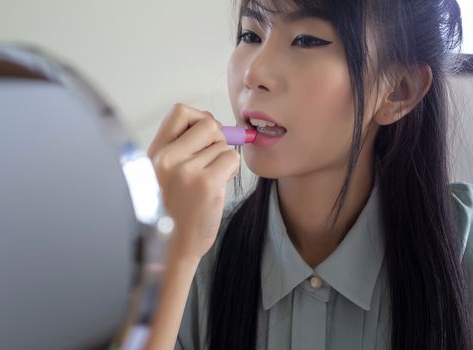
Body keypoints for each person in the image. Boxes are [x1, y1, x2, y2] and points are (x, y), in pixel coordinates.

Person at [146, 0, 473, 349]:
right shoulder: (193, 252)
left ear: (399, 90)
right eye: (250, 34)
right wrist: (170, 253)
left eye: (306, 40)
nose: (253, 74)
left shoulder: (461, 255)